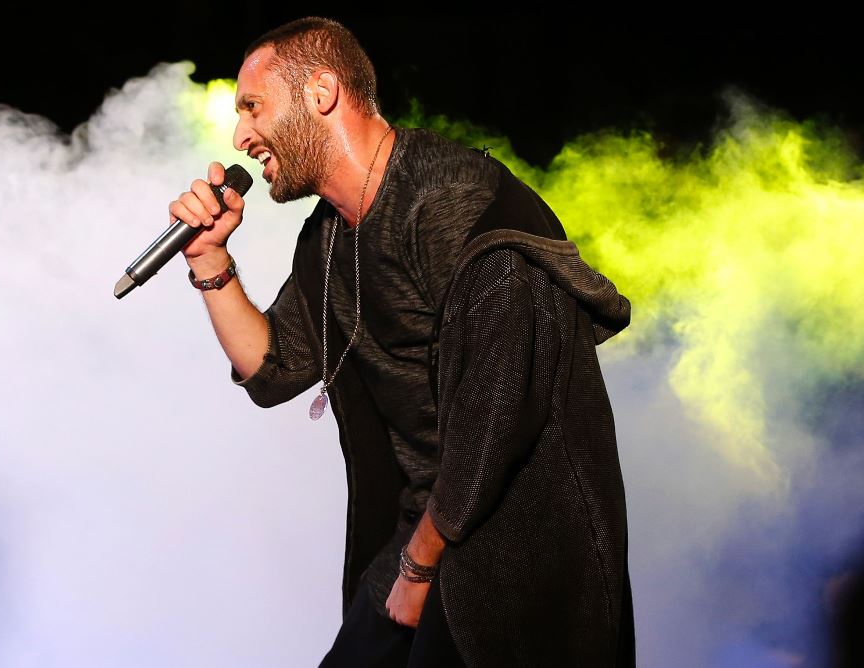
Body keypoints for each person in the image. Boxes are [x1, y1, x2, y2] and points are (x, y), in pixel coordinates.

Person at [169, 16, 636, 667]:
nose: (240, 137)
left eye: (252, 107)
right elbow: (272, 371)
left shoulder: (461, 206)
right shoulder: (331, 235)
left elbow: (496, 420)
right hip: (421, 539)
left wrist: (418, 569)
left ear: (321, 92)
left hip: (518, 558)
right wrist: (208, 260)